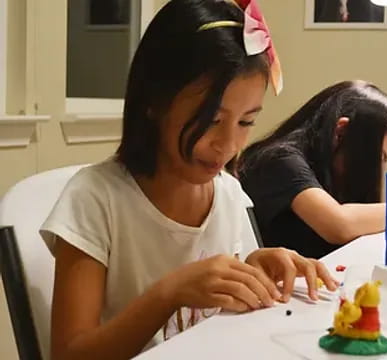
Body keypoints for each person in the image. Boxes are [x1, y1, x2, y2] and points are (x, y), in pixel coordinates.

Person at [40, 1, 337, 359]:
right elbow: (69, 353)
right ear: (154, 101)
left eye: (246, 122)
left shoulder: (228, 192)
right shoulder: (94, 199)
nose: (228, 145)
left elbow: (213, 307)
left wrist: (253, 270)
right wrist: (169, 293)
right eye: (211, 118)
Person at [238, 81, 387, 259]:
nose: (377, 168)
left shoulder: (327, 168)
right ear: (341, 132)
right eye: (377, 157)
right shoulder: (280, 160)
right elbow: (339, 225)